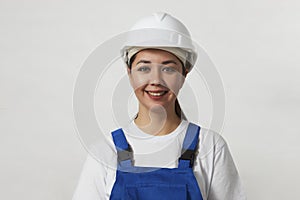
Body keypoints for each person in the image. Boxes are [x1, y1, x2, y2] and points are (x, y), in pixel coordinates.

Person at [73, 12, 246, 200]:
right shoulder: (106, 152)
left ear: (185, 73)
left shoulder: (210, 147)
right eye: (144, 68)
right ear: (129, 72)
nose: (155, 80)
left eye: (168, 69)